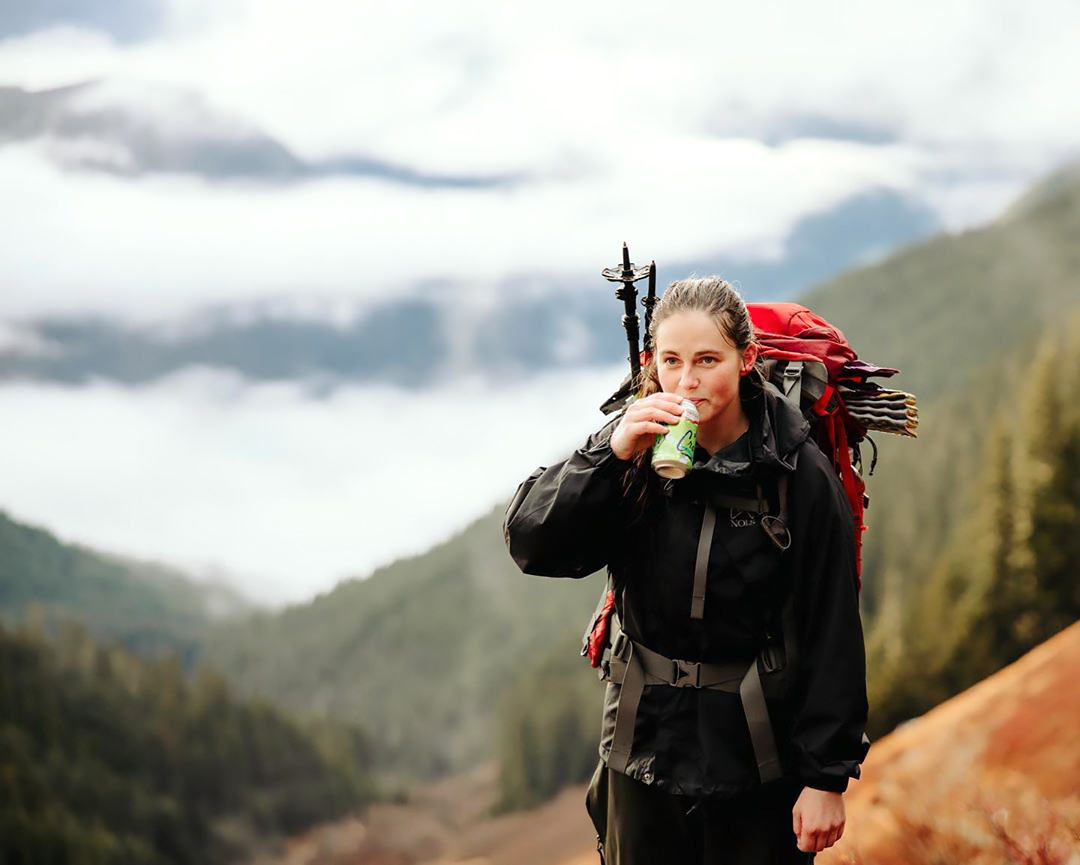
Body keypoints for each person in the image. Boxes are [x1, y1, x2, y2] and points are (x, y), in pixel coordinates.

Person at [503, 277, 868, 864]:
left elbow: (833, 628)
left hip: (755, 760)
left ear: (746, 359)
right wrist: (608, 454)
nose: (686, 381)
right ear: (652, 362)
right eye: (671, 361)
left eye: (707, 360)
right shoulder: (632, 450)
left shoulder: (795, 471)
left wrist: (826, 778)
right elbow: (531, 542)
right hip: (640, 751)